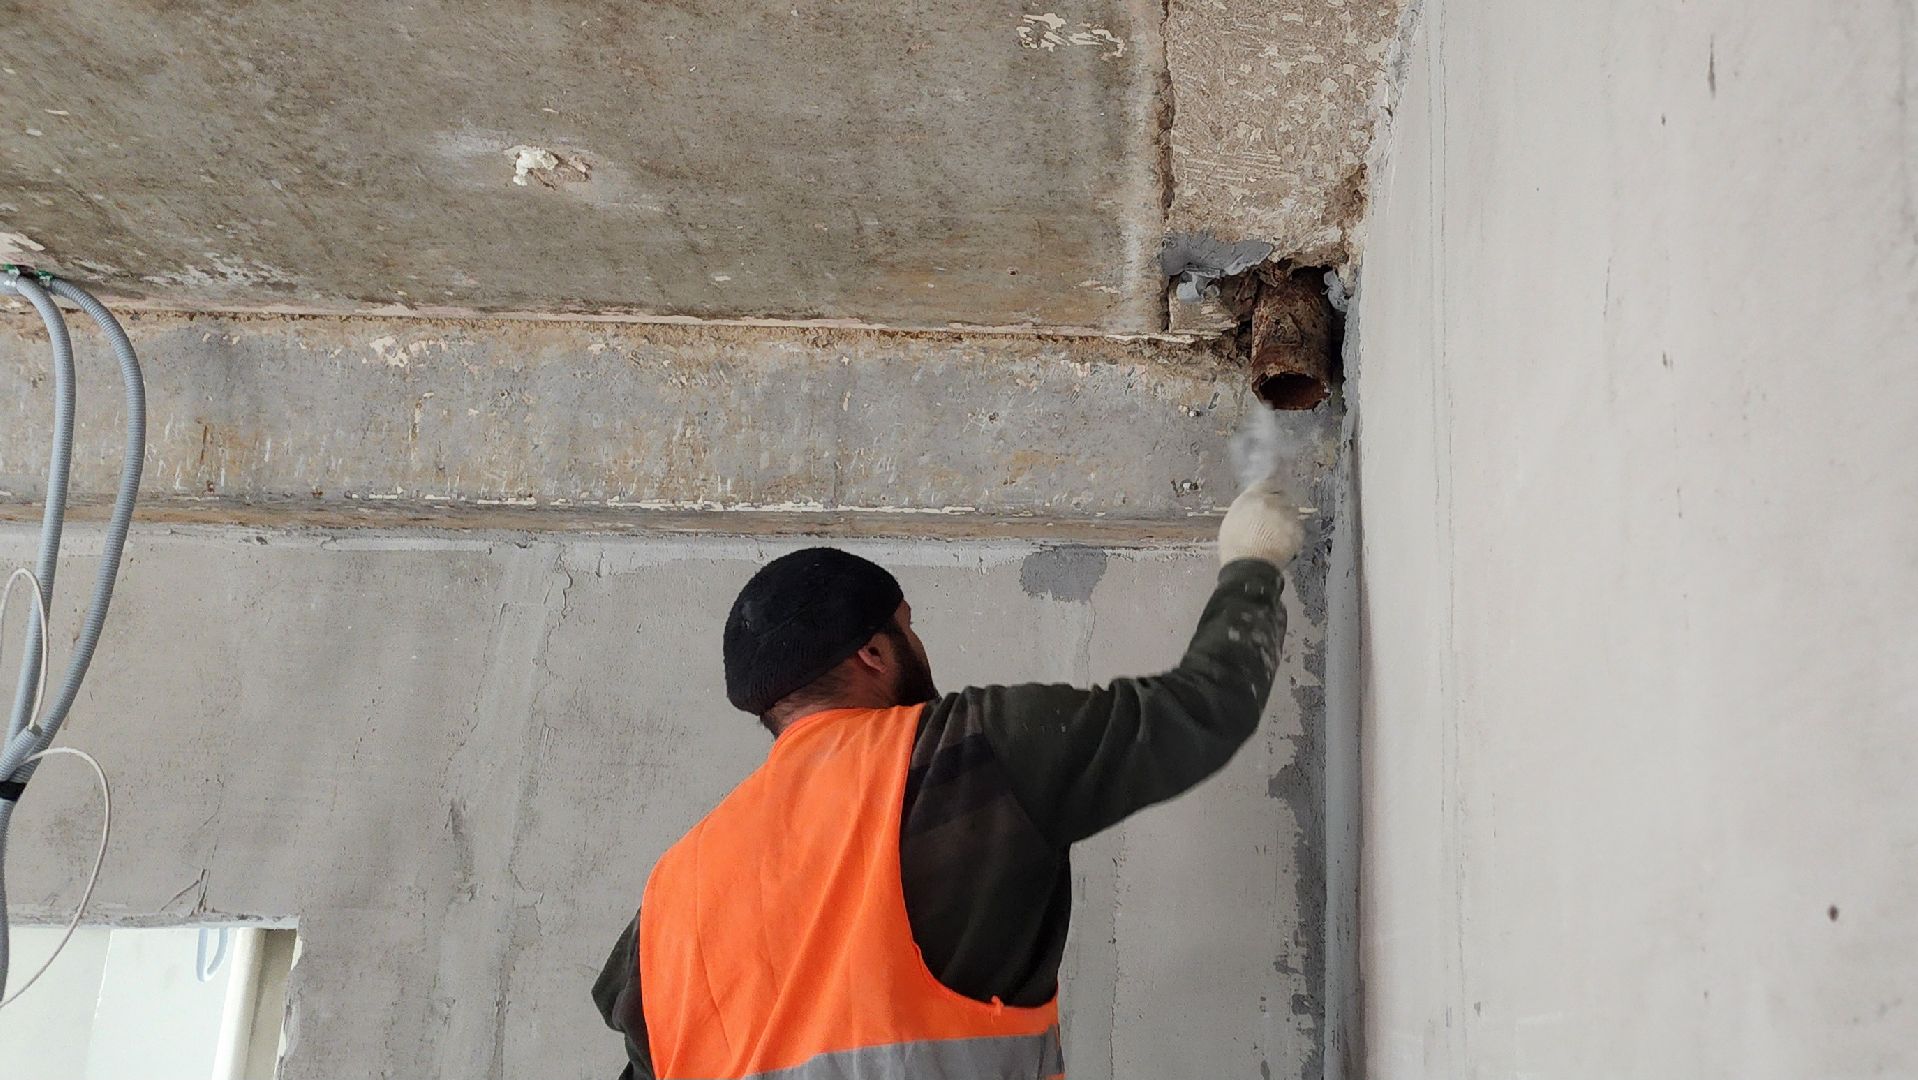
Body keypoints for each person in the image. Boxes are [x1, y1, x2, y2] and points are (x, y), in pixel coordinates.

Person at [592, 482, 1304, 1080]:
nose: (918, 642)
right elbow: (1204, 708)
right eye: (908, 627)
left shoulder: (670, 896)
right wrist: (1255, 559)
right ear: (875, 653)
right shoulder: (961, 755)